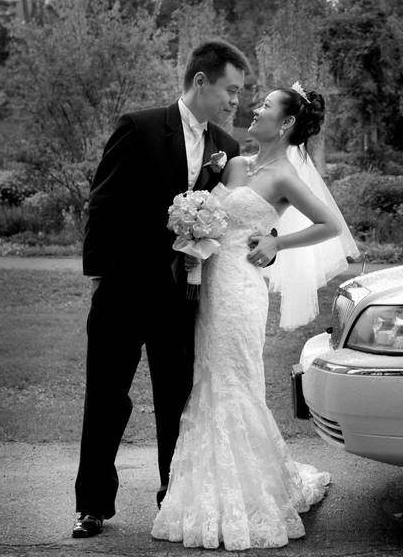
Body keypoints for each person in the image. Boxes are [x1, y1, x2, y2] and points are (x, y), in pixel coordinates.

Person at [150, 83, 357, 550]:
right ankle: (205, 491)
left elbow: (331, 225)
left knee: (235, 380)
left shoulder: (283, 175)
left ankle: (249, 497)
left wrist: (276, 242)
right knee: (206, 378)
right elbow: (214, 221)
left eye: (266, 105)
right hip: (206, 287)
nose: (256, 109)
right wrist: (193, 239)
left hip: (241, 291)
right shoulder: (237, 164)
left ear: (285, 123)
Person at [73, 40, 250, 539]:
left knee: (177, 402)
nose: (236, 102)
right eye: (230, 91)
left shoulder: (226, 146)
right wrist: (105, 276)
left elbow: (232, 220)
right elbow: (102, 204)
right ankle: (91, 505)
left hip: (182, 300)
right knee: (106, 398)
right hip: (124, 293)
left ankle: (172, 498)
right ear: (201, 82)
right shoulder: (140, 126)